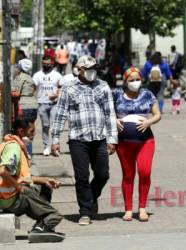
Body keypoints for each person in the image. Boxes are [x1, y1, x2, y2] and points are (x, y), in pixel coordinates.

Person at [51, 56, 118, 226]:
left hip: (100, 137)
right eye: (88, 69)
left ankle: (91, 196)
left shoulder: (102, 86)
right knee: (82, 177)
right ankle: (85, 212)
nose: (92, 72)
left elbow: (110, 113)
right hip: (78, 139)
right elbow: (60, 113)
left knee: (103, 174)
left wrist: (112, 138)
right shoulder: (68, 88)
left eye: (94, 69)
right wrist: (55, 139)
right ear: (79, 70)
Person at [0, 119, 64, 243]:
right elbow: (3, 171)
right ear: (20, 131)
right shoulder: (14, 148)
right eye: (31, 131)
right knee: (55, 216)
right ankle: (43, 224)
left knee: (44, 185)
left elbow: (17, 177)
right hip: (10, 198)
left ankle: (41, 224)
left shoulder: (11, 144)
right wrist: (19, 188)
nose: (33, 135)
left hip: (6, 197)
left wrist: (45, 180)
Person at [113, 67, 161, 222]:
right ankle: (128, 209)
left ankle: (142, 208)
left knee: (144, 172)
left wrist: (148, 122)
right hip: (124, 143)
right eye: (131, 80)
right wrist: (114, 119)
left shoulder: (147, 94)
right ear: (125, 81)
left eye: (137, 79)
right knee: (128, 175)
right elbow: (106, 111)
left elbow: (157, 114)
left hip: (145, 141)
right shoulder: (116, 95)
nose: (135, 82)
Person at [33, 56, 62, 156]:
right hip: (42, 104)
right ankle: (46, 147)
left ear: (52, 64)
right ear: (42, 63)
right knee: (45, 126)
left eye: (48, 64)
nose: (46, 65)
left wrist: (57, 95)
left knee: (54, 126)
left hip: (55, 104)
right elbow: (33, 88)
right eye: (44, 64)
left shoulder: (57, 75)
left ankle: (55, 146)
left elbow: (60, 87)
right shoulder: (37, 75)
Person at [12, 59, 38, 157]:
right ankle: (29, 154)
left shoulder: (20, 77)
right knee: (29, 130)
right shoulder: (30, 78)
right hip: (33, 106)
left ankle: (26, 155)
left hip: (24, 106)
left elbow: (16, 93)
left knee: (23, 132)